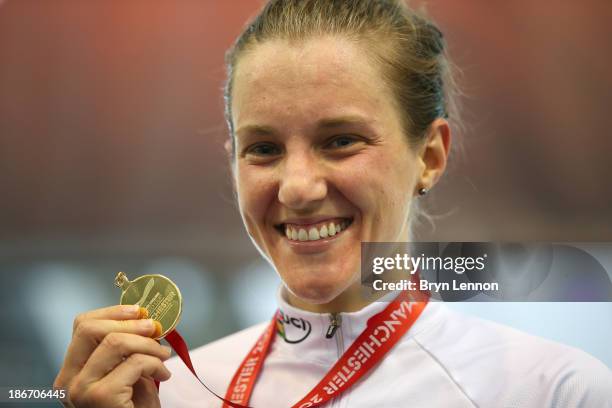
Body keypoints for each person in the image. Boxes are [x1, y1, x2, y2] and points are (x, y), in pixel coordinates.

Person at [55, 1, 612, 407]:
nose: (297, 188)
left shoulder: (553, 390)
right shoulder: (168, 396)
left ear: (431, 156)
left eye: (340, 140)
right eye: (264, 149)